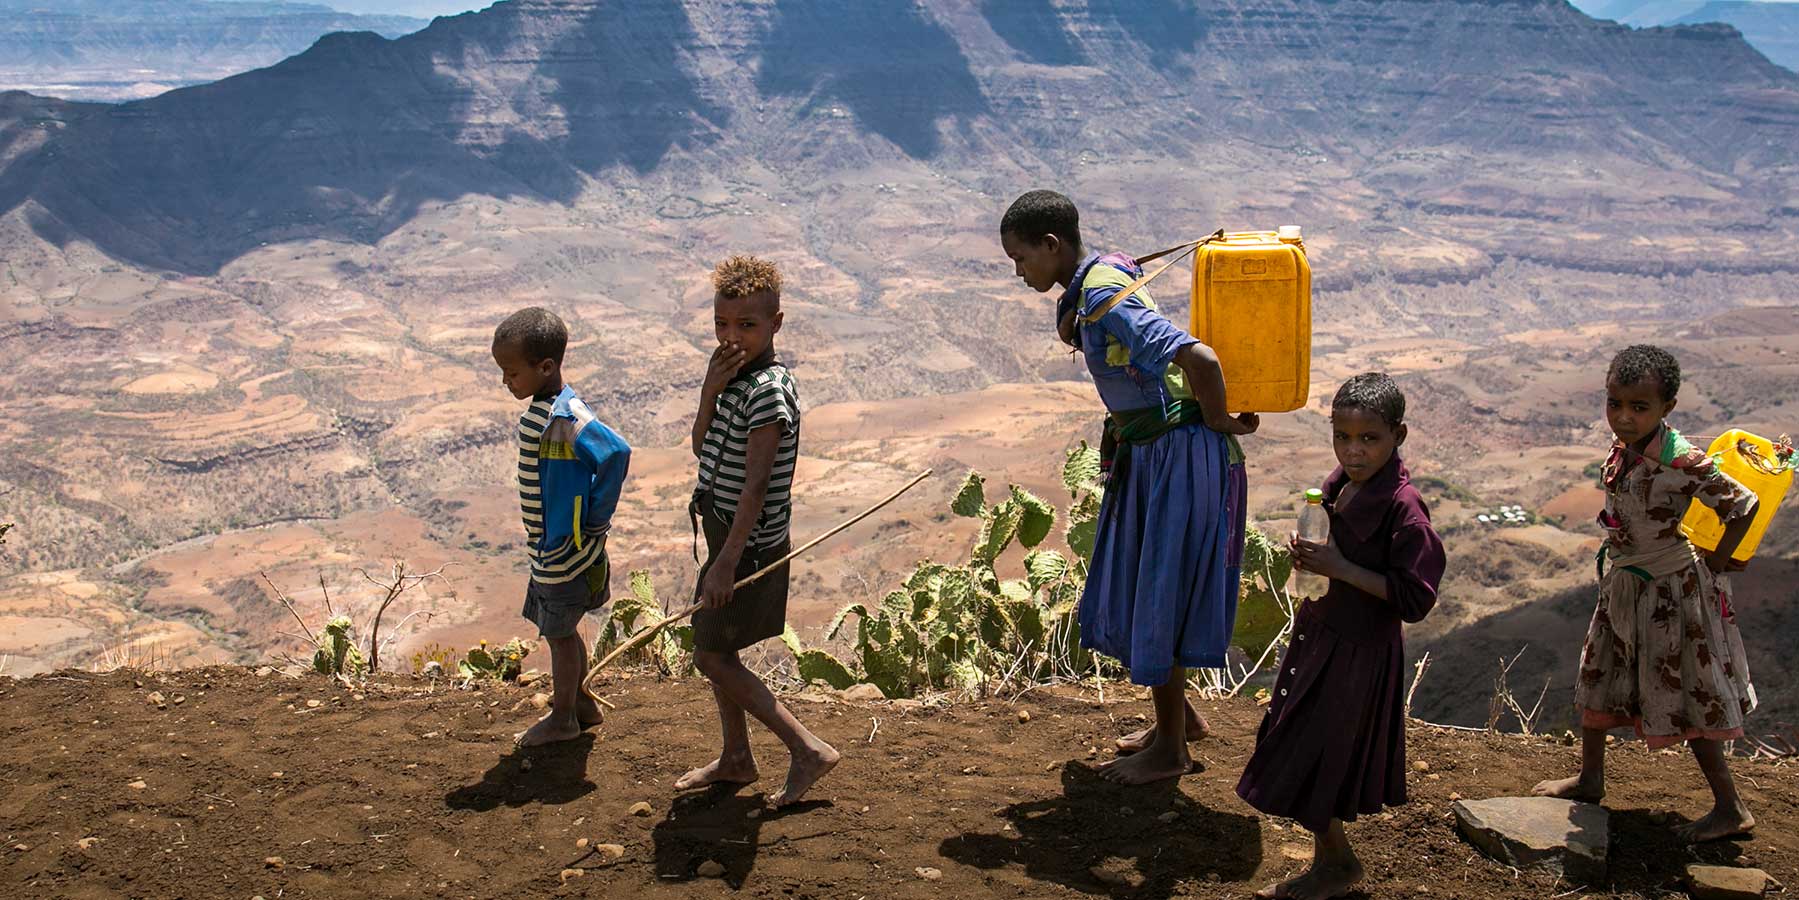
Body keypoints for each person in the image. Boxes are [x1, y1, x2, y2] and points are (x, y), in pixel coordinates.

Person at [1000, 189, 1256, 784]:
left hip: (1177, 457)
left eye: (1020, 258)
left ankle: (1171, 751)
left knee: (1159, 587)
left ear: (1051, 245)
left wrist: (1217, 419)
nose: (1018, 272)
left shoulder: (1101, 293)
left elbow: (1202, 361)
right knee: (1148, 581)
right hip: (1152, 454)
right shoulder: (1100, 276)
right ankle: (1179, 720)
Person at [1533, 344, 1760, 843]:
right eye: (1615, 404)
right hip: (1624, 585)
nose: (1623, 417)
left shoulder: (1681, 458)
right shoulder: (1627, 449)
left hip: (1668, 595)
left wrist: (1720, 559)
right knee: (1597, 671)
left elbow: (1743, 503)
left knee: (1684, 694)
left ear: (1666, 409)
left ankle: (1730, 807)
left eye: (1639, 407)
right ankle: (1590, 779)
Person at [1235, 373, 1445, 900]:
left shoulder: (1404, 508)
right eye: (1342, 437)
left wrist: (1340, 567)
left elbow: (1415, 598)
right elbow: (1331, 544)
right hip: (1322, 636)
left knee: (1319, 753)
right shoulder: (1341, 486)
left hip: (1358, 654)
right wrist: (1310, 551)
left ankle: (1337, 865)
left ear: (1398, 434)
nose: (1353, 451)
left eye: (1369, 439)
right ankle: (1332, 859)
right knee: (1296, 740)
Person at [674, 254, 840, 807]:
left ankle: (807, 748)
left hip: (747, 544)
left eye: (747, 325)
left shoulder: (767, 391)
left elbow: (755, 487)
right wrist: (708, 392)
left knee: (713, 656)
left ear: (776, 324)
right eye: (722, 324)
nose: (732, 336)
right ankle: (736, 758)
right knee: (716, 643)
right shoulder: (734, 382)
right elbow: (703, 447)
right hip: (726, 534)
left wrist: (726, 563)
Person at [491, 307, 631, 747]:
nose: (506, 382)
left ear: (545, 366)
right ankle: (582, 704)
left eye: (512, 373)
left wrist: (592, 520)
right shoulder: (545, 409)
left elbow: (615, 454)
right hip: (553, 546)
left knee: (558, 635)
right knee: (563, 631)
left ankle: (564, 717)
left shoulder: (564, 415)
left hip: (562, 551)